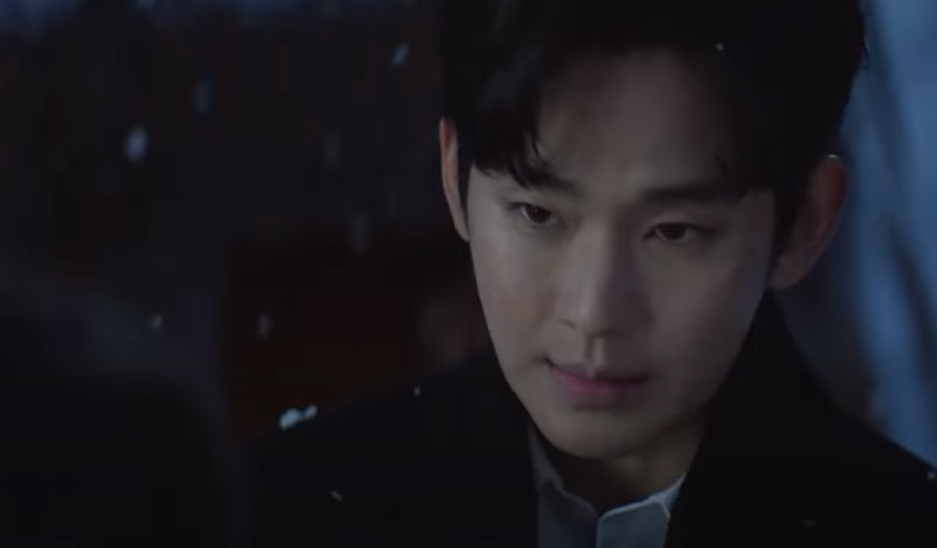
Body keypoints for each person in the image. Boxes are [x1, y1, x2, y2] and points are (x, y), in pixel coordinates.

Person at [247, 1, 937, 547]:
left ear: (803, 224)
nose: (595, 310)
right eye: (538, 214)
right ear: (455, 181)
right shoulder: (277, 512)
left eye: (674, 231)